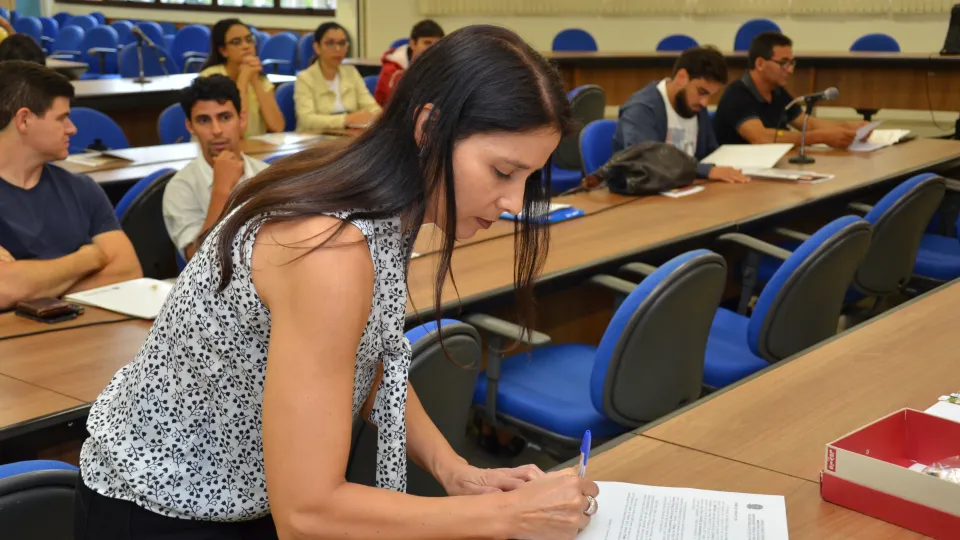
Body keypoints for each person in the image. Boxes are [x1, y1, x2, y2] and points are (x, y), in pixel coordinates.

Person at [75, 25, 600, 540]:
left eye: (529, 177)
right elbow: (308, 514)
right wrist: (507, 519)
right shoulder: (331, 245)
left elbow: (368, 356)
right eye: (503, 172)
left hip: (250, 494)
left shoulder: (382, 202)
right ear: (429, 128)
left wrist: (455, 471)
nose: (514, 202)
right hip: (161, 507)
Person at [0, 61, 141, 311]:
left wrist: (33, 288)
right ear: (24, 120)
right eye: (62, 118)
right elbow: (4, 289)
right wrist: (87, 259)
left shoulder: (82, 188)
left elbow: (128, 272)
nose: (72, 129)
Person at [163, 75, 270, 262]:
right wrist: (221, 190)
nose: (217, 130)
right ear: (190, 126)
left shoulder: (266, 175)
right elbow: (199, 262)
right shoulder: (180, 187)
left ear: (242, 119)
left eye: (225, 117)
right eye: (204, 120)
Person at [613, 45, 748, 184]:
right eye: (702, 92)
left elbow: (711, 154)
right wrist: (706, 171)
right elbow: (647, 160)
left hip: (688, 192)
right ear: (681, 77)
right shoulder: (641, 109)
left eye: (710, 95)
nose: (705, 103)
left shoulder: (695, 106)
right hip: (644, 197)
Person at [713, 32, 863, 148]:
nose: (790, 70)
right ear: (760, 63)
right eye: (783, 63)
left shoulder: (777, 91)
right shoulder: (737, 95)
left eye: (792, 63)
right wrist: (819, 137)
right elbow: (761, 137)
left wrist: (849, 129)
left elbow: (807, 123)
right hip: (739, 173)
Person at [200, 18, 285, 137]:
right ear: (223, 50)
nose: (246, 46)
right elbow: (235, 131)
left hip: (253, 150)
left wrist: (255, 80)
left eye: (249, 40)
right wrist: (243, 78)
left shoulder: (260, 78)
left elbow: (277, 126)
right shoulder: (209, 78)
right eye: (236, 42)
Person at [294, 22, 382, 132]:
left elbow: (372, 107)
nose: (337, 49)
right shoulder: (305, 78)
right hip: (315, 138)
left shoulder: (351, 73)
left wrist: (376, 116)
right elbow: (306, 120)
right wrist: (347, 119)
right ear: (317, 47)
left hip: (349, 136)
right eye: (330, 43)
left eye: (342, 43)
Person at [374, 19, 445, 106]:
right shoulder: (393, 70)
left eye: (437, 44)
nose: (433, 48)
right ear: (412, 44)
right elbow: (397, 107)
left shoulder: (440, 65)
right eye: (427, 43)